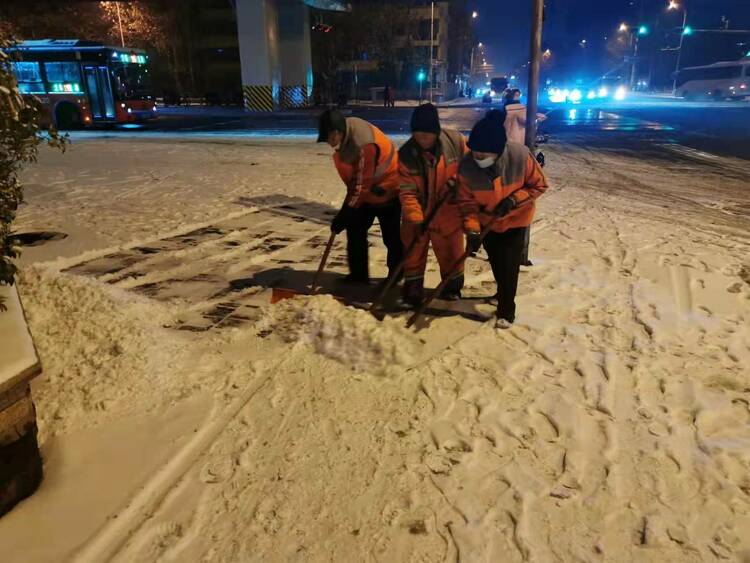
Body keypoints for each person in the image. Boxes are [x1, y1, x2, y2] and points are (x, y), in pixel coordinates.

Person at [457, 109, 549, 329]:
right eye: (475, 153)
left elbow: (540, 185)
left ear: (498, 151)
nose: (478, 158)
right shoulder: (467, 167)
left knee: (509, 266)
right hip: (487, 223)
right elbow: (466, 203)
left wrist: (514, 200)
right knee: (497, 262)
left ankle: (507, 310)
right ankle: (502, 292)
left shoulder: (520, 157)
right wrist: (472, 230)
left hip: (515, 221)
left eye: (484, 154)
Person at [317, 109, 403, 284]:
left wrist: (346, 211)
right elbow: (356, 183)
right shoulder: (346, 136)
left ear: (337, 132)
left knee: (391, 235)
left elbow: (361, 185)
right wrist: (346, 213)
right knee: (355, 229)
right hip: (369, 190)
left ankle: (396, 275)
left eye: (329, 139)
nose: (329, 144)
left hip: (389, 186)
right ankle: (358, 275)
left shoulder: (364, 144)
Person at [398, 103, 469, 308]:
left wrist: (459, 182)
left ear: (436, 132)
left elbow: (472, 166)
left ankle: (451, 288)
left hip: (447, 210)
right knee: (413, 252)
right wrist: (415, 218)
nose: (422, 139)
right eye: (417, 134)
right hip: (417, 214)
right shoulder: (406, 155)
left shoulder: (455, 142)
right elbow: (407, 191)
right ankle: (413, 290)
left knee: (451, 251)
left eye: (426, 135)